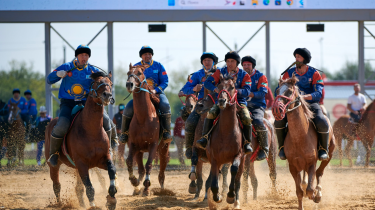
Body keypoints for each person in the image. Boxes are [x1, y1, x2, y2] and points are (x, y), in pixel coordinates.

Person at [46, 44, 117, 167]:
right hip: (68, 103)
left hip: (86, 103)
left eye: (86, 55)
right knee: (62, 125)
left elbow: (106, 82)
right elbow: (49, 79)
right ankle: (54, 154)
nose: (84, 57)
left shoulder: (92, 71)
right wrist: (58, 74)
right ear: (77, 56)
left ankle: (112, 144)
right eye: (81, 55)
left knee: (106, 120)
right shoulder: (67, 67)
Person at [275, 48, 329, 161]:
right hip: (291, 105)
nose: (296, 59)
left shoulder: (314, 73)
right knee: (278, 121)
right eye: (296, 57)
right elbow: (279, 89)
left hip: (311, 104)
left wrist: (302, 98)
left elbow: (318, 94)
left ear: (305, 59)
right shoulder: (288, 73)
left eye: (299, 57)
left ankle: (323, 149)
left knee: (322, 121)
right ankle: (281, 148)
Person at [196, 51, 253, 155]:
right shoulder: (220, 72)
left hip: (239, 102)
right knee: (211, 114)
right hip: (221, 101)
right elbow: (207, 83)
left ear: (237, 62)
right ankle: (204, 138)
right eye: (227, 61)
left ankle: (247, 143)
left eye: (232, 61)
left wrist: (235, 90)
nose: (229, 63)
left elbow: (247, 91)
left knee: (246, 117)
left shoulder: (244, 75)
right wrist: (215, 89)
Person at [120, 45, 172, 144]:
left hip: (157, 93)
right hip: (140, 95)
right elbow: (131, 81)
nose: (147, 56)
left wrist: (156, 90)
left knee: (165, 105)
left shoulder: (159, 65)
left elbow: (165, 81)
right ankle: (124, 134)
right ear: (141, 56)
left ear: (152, 55)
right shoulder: (135, 67)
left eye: (149, 54)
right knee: (128, 108)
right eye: (145, 54)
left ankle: (166, 132)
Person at [178, 52, 219, 158]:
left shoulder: (220, 73)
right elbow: (184, 90)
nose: (207, 62)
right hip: (201, 104)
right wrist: (194, 89)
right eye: (205, 60)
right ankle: (189, 148)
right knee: (190, 122)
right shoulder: (197, 75)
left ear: (214, 61)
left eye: (209, 60)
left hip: (217, 103)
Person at [242, 55, 269, 161]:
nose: (246, 67)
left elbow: (262, 93)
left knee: (257, 121)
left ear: (252, 66)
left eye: (248, 65)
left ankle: (264, 148)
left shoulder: (261, 76)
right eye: (244, 65)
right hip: (242, 106)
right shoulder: (239, 75)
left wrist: (247, 93)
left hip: (257, 106)